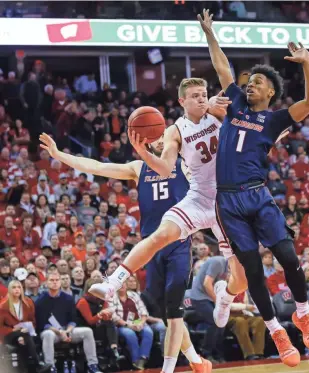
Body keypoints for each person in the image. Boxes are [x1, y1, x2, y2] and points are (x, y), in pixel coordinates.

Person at [39, 117, 231, 373]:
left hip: (178, 243)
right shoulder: (139, 168)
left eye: (164, 136)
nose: (161, 140)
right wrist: (59, 154)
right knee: (168, 314)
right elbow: (96, 166)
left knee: (174, 313)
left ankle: (170, 369)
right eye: (156, 137)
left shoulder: (184, 165)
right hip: (150, 250)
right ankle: (196, 360)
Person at [198, 8, 309, 367]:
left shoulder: (274, 119)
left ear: (270, 92)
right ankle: (276, 331)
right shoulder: (234, 102)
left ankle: (302, 313)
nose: (250, 84)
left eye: (257, 82)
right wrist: (210, 33)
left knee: (288, 257)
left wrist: (307, 64)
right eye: (249, 81)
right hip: (228, 200)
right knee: (252, 270)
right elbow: (222, 67)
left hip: (257, 193)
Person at [35, 272, 102, 373]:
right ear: (46, 283)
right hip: (52, 332)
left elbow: (73, 319)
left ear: (60, 282)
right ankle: (50, 367)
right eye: (52, 280)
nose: (55, 283)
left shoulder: (68, 298)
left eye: (57, 280)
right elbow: (42, 323)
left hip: (67, 330)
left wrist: (67, 331)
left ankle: (92, 365)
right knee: (48, 334)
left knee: (87, 331)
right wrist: (59, 332)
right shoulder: (41, 300)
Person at [0, 280, 51, 373]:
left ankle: (24, 370)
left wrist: (26, 330)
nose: (17, 289)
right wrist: (13, 330)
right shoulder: (3, 305)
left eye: (19, 287)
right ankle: (38, 364)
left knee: (23, 341)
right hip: (8, 334)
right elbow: (1, 327)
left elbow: (33, 321)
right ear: (9, 290)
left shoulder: (28, 302)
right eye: (14, 287)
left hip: (25, 332)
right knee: (24, 336)